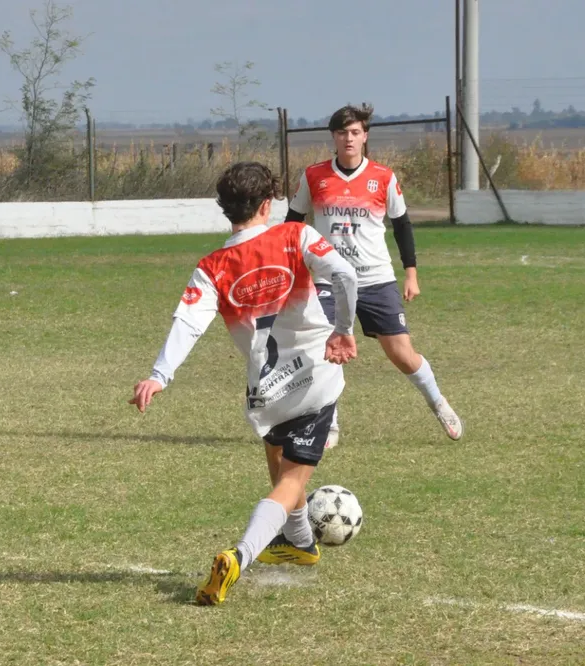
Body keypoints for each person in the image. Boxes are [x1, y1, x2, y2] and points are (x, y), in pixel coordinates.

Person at [129, 161, 359, 606]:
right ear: (268, 204)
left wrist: (159, 375)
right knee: (289, 482)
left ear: (225, 209)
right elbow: (345, 275)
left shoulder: (212, 266)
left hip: (266, 392)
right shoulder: (295, 236)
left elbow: (188, 324)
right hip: (315, 378)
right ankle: (240, 555)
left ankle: (300, 544)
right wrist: (343, 330)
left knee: (278, 463)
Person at [285, 103, 463, 448]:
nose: (348, 139)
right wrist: (294, 269)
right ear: (333, 137)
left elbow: (403, 226)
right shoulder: (313, 176)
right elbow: (292, 225)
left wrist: (411, 273)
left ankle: (438, 402)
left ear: (365, 136)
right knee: (324, 350)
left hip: (376, 279)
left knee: (402, 354)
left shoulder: (383, 177)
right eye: (342, 133)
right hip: (329, 280)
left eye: (355, 132)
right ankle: (328, 422)